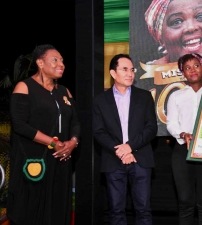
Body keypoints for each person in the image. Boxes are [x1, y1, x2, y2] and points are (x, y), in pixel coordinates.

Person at [7, 44, 80, 225]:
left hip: (61, 159)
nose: (61, 64)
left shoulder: (64, 91)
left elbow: (76, 122)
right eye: (55, 60)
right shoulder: (25, 87)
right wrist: (53, 143)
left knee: (57, 207)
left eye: (62, 61)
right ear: (40, 62)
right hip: (34, 159)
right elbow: (20, 125)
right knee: (32, 209)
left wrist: (73, 142)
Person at [93, 54, 158, 225]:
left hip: (141, 159)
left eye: (132, 70)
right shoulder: (100, 100)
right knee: (115, 210)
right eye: (124, 69)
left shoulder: (144, 97)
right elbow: (99, 132)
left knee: (143, 210)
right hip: (113, 160)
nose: (130, 74)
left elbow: (151, 128)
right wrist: (120, 151)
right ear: (113, 73)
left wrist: (129, 147)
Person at [166, 53, 202, 224]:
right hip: (183, 149)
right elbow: (171, 123)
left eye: (196, 65)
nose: (193, 70)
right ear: (183, 73)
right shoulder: (176, 96)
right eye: (187, 68)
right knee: (185, 202)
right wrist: (183, 134)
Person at [144, 0, 202, 64]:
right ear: (160, 37)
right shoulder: (150, 76)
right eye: (177, 22)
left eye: (200, 16)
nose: (191, 27)